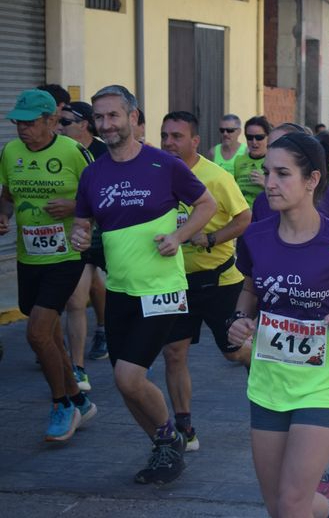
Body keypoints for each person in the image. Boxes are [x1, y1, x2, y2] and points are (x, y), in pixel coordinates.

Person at [227, 132, 329, 518]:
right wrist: (240, 320)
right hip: (269, 384)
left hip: (324, 386)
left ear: (312, 179)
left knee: (292, 503)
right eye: (267, 172)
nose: (269, 183)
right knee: (278, 505)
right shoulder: (255, 236)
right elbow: (251, 288)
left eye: (282, 174)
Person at [70, 84, 217, 485]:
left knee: (127, 378)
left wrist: (180, 236)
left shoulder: (163, 164)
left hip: (162, 291)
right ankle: (164, 447)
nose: (106, 124)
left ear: (134, 118)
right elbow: (82, 225)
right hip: (119, 290)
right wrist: (80, 236)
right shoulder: (92, 174)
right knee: (126, 384)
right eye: (99, 118)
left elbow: (208, 204)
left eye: (114, 115)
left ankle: (171, 437)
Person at [0, 88, 97, 442]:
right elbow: (8, 195)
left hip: (67, 255)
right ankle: (78, 398)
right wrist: (3, 215)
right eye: (17, 123)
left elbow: (99, 198)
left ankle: (62, 405)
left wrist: (74, 207)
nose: (21, 130)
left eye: (29, 123)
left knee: (37, 333)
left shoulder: (73, 153)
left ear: (51, 121)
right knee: (49, 333)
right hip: (30, 255)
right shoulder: (10, 152)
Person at [160, 111, 252, 452]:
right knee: (174, 352)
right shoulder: (157, 175)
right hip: (174, 282)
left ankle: (258, 371)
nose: (169, 143)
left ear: (195, 141)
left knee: (233, 353)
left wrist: (212, 240)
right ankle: (184, 427)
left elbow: (245, 218)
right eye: (164, 135)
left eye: (177, 137)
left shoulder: (215, 177)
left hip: (220, 281)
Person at [57, 101, 110, 362]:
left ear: (84, 124)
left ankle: (108, 331)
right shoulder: (60, 151)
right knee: (76, 301)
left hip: (108, 236)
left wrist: (74, 206)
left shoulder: (104, 152)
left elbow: (110, 200)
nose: (59, 128)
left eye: (65, 122)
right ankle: (77, 367)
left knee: (107, 287)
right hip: (79, 236)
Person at [233, 116, 271, 207]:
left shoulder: (274, 161)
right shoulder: (239, 160)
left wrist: (266, 183)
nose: (254, 142)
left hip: (265, 214)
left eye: (259, 137)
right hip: (243, 215)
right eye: (249, 137)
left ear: (268, 137)